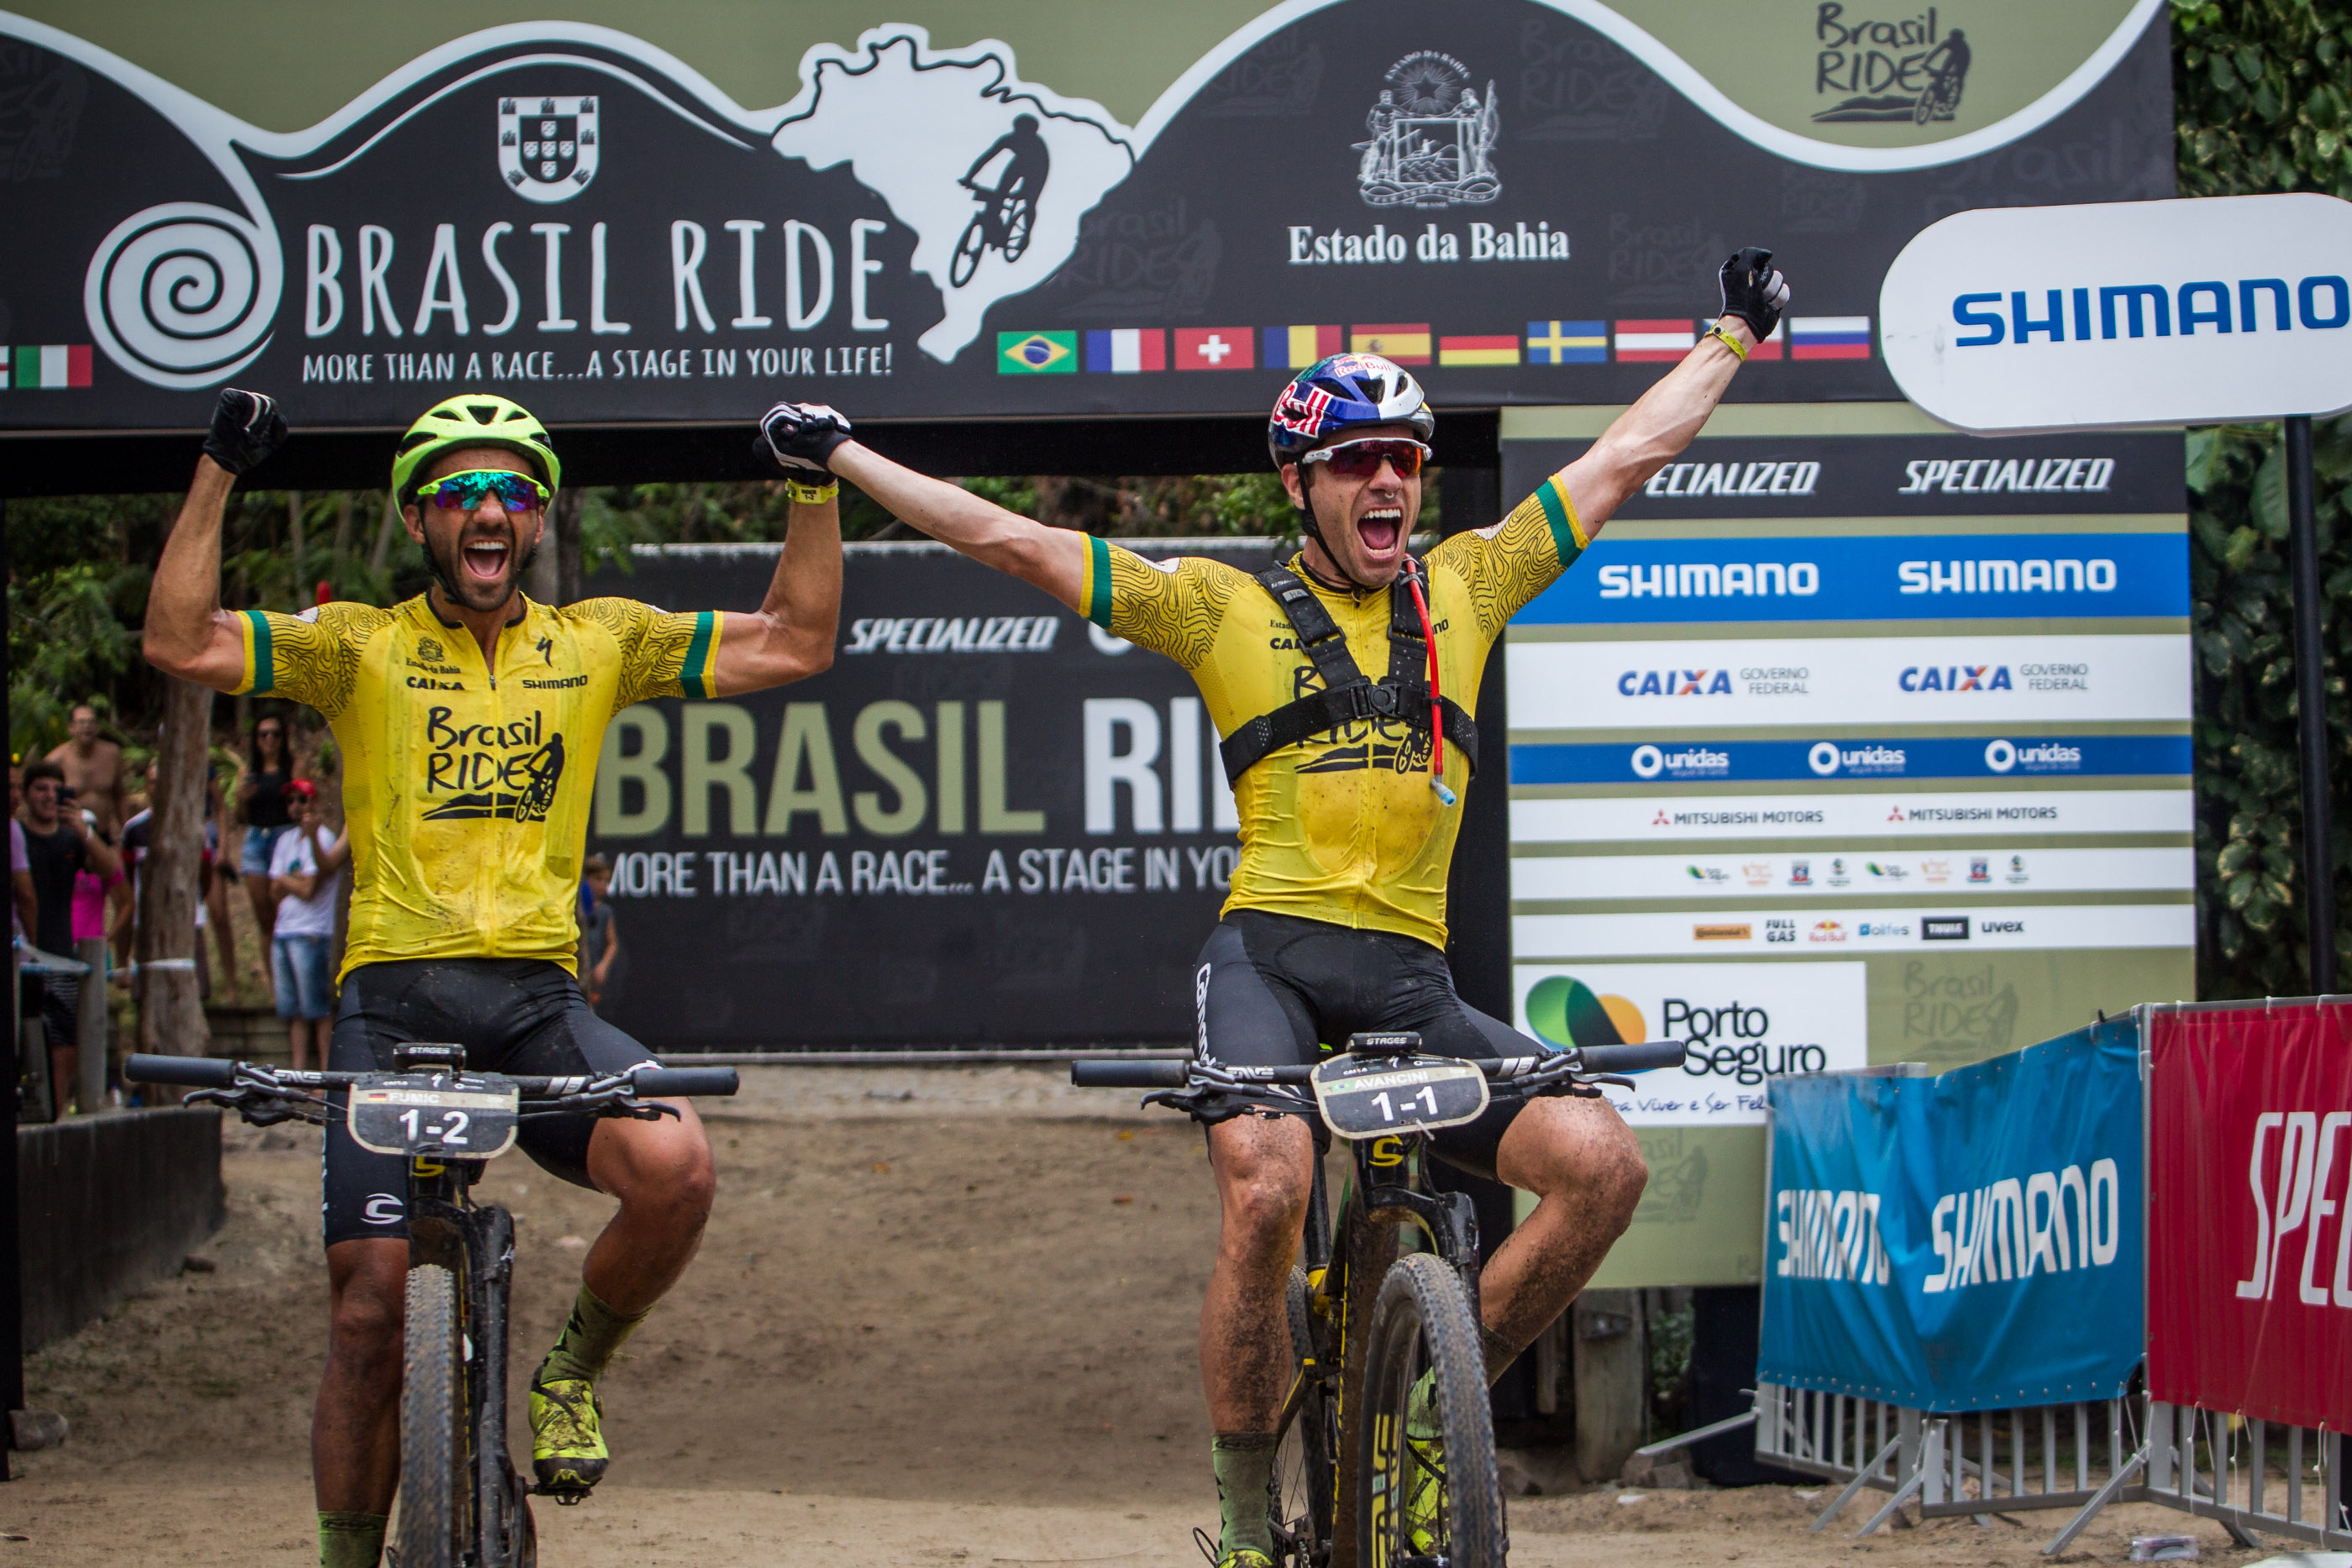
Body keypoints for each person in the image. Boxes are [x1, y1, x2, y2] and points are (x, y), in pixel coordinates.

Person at [764, 248, 1790, 1568]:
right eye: (1357, 460)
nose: (1388, 482)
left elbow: (1624, 457)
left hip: (1414, 980)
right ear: (1300, 481)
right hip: (1273, 959)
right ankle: (1249, 1515)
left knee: (1605, 1166)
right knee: (1266, 1187)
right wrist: (843, 457)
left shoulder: (1470, 584)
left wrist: (1735, 334)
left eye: (1405, 461)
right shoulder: (1219, 603)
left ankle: (1435, 1395)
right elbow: (1007, 537)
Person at [143, 386, 843, 1568]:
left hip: (533, 1004)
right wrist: (218, 464)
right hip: (390, 1001)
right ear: (420, 517)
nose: (486, 507)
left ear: (536, 520)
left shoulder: (596, 641)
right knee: (367, 1314)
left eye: (511, 489)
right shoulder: (355, 643)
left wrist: (814, 484)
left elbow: (797, 636)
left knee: (676, 1164)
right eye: (459, 489)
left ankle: (569, 1368)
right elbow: (180, 638)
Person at [18, 759, 123, 1114]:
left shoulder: (71, 838)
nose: (48, 797)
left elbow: (111, 870)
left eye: (55, 789)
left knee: (64, 1040)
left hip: (63, 954)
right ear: (26, 794)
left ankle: (57, 1111)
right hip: (24, 954)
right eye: (40, 789)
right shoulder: (17, 835)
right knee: (25, 1033)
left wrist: (84, 830)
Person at [267, 779, 347, 1072]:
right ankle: (298, 1073)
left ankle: (325, 1074)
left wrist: (287, 882)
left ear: (313, 802)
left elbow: (308, 889)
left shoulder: (324, 839)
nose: (295, 806)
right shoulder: (285, 840)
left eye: (301, 800)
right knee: (294, 1012)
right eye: (291, 801)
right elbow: (273, 890)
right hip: (283, 931)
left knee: (318, 1009)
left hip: (312, 933)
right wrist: (293, 882)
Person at [238, 713, 297, 964]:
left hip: (285, 837)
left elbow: (303, 803)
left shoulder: (293, 766)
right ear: (257, 740)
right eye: (264, 734)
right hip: (256, 839)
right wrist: (242, 798)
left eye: (275, 734)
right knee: (264, 916)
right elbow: (240, 817)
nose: (270, 739)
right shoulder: (247, 771)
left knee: (286, 911)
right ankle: (272, 984)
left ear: (283, 738)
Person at [46, 703, 128, 837]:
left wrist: (126, 830)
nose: (86, 726)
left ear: (97, 727)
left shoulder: (112, 754)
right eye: (81, 722)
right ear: (70, 728)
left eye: (91, 722)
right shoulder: (56, 760)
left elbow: (120, 796)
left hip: (103, 834)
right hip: (69, 836)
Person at [577, 853, 619, 1011]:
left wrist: (602, 966)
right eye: (598, 879)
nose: (603, 885)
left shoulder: (605, 912)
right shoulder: (574, 907)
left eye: (606, 881)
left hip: (590, 976)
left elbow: (612, 943)